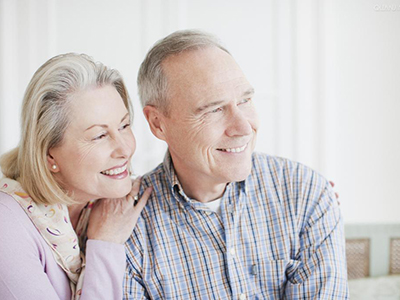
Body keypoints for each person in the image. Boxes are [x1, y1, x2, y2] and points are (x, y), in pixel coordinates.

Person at [123, 30, 349, 299]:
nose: (243, 127)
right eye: (214, 109)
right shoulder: (126, 224)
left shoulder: (305, 193)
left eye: (245, 100)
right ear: (158, 123)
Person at [0, 53, 152, 299]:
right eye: (99, 136)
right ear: (50, 155)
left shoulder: (111, 205)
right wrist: (105, 243)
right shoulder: (6, 223)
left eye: (124, 125)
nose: (125, 149)